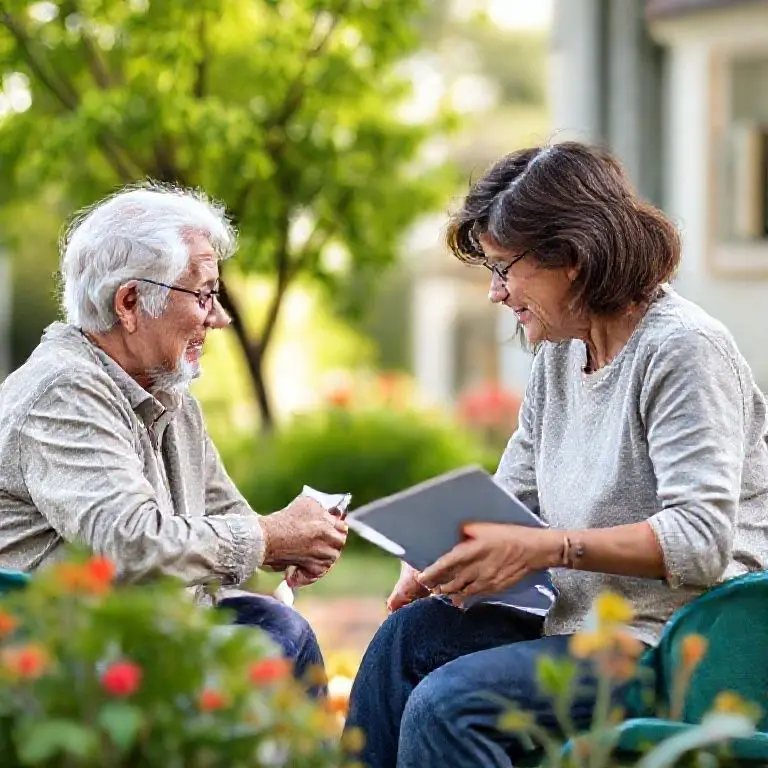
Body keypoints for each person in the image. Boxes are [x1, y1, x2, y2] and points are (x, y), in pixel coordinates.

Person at [344, 141, 768, 766]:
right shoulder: (561, 353)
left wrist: (548, 547)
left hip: (677, 644)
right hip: (578, 626)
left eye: (502, 268)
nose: (495, 294)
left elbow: (701, 542)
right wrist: (442, 555)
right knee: (405, 641)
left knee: (448, 705)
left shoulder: (683, 350)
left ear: (571, 257)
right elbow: (512, 500)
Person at [0, 184, 347, 692]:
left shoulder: (169, 396)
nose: (220, 318)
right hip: (68, 669)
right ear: (130, 303)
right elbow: (132, 544)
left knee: (279, 627)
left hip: (142, 638)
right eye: (204, 295)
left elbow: (227, 522)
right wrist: (271, 536)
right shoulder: (63, 393)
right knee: (276, 639)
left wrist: (297, 540)